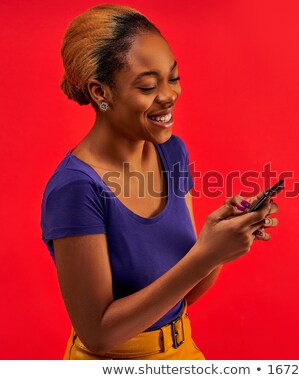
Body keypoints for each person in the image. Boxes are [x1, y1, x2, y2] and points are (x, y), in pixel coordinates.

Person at [40, 4, 280, 360]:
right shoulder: (76, 189)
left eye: (174, 77)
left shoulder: (172, 153)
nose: (169, 95)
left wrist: (219, 242)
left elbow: (182, 294)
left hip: (182, 351)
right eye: (148, 85)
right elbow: (98, 334)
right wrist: (205, 255)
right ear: (100, 92)